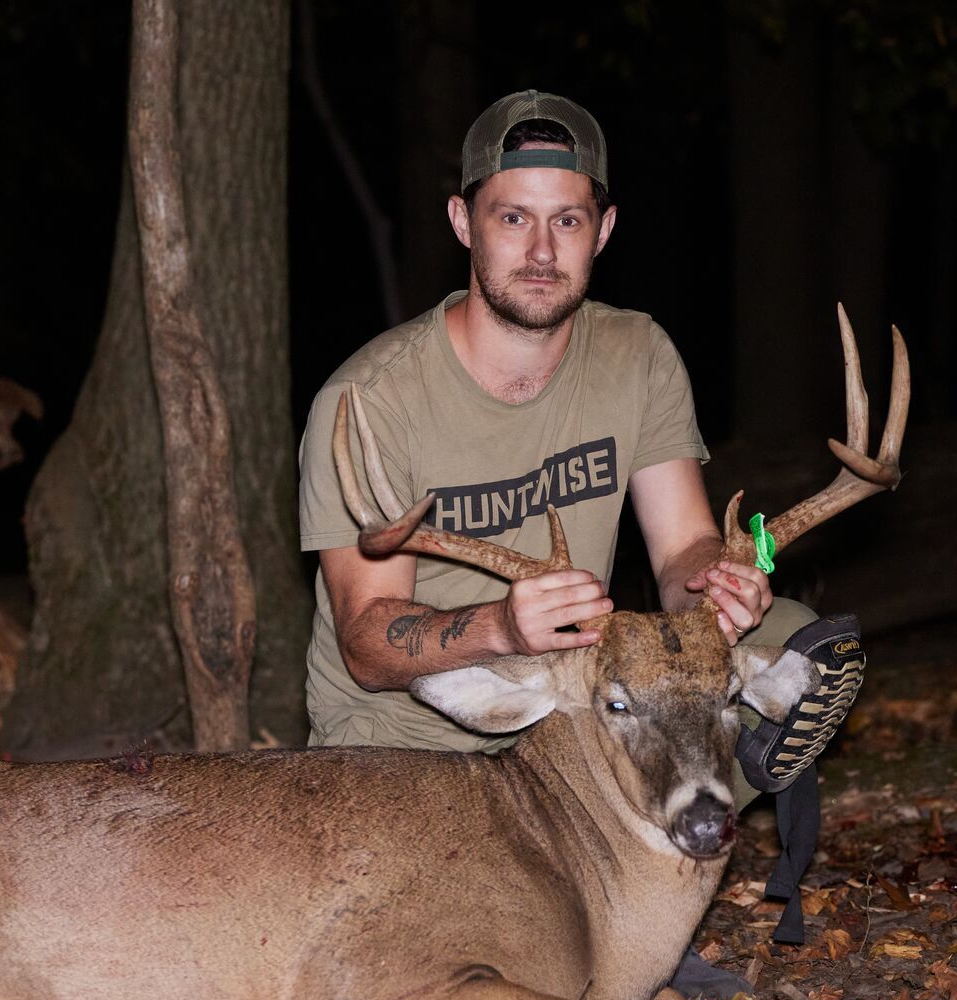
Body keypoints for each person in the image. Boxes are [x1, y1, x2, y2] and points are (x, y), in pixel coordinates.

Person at [298, 90, 861, 811]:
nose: (541, 251)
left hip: (577, 714)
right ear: (463, 222)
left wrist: (716, 581)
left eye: (567, 220)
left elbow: (682, 549)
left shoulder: (637, 354)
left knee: (794, 640)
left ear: (603, 231)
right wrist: (501, 626)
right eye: (512, 218)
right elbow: (369, 645)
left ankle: (682, 829)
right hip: (408, 746)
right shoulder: (369, 403)